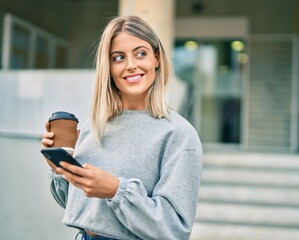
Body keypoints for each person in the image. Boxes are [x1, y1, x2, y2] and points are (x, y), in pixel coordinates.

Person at [41, 15, 203, 240]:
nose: (131, 65)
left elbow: (174, 230)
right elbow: (77, 207)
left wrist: (117, 191)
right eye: (118, 57)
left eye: (141, 53)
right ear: (108, 67)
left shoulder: (178, 134)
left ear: (156, 58)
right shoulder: (95, 125)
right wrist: (61, 170)